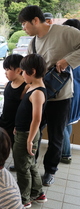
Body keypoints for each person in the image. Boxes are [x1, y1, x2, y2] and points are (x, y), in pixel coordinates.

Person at [18, 5, 80, 186]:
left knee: (56, 136)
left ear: (35, 20)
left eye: (24, 24)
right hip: (38, 95)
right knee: (34, 131)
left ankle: (50, 170)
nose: (23, 28)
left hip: (61, 97)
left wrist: (68, 60)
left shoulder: (65, 32)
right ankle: (29, 164)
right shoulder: (33, 42)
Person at [14, 54, 48, 208]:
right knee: (30, 164)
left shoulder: (38, 93)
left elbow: (36, 119)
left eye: (23, 72)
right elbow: (25, 112)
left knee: (22, 167)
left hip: (28, 135)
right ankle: (38, 192)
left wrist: (29, 140)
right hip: (24, 132)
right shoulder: (32, 87)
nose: (22, 75)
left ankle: (24, 198)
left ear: (32, 71)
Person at [0, 54, 30, 171]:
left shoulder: (26, 87)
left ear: (19, 70)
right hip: (4, 120)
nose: (5, 73)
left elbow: (25, 110)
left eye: (7, 70)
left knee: (16, 149)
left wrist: (19, 125)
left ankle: (20, 167)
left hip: (15, 124)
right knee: (1, 146)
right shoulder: (8, 84)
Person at [60, 19, 80, 164]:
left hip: (69, 94)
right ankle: (65, 151)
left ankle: (66, 154)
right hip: (77, 94)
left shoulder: (71, 55)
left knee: (62, 124)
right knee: (68, 123)